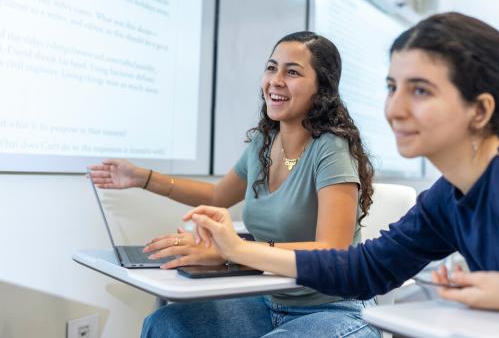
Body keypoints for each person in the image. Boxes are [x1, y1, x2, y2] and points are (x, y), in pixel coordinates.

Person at [188, 12, 499, 317]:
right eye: (393, 88)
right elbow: (365, 269)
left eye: (420, 90)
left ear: (479, 109)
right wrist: (236, 249)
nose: (395, 109)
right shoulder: (447, 199)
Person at [89, 31, 380, 338]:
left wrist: (234, 250)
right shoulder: (264, 144)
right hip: (269, 303)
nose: (276, 80)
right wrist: (143, 178)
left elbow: (332, 249)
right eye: (271, 68)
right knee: (166, 325)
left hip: (334, 308)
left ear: (322, 88)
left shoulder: (332, 149)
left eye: (292, 72)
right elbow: (217, 195)